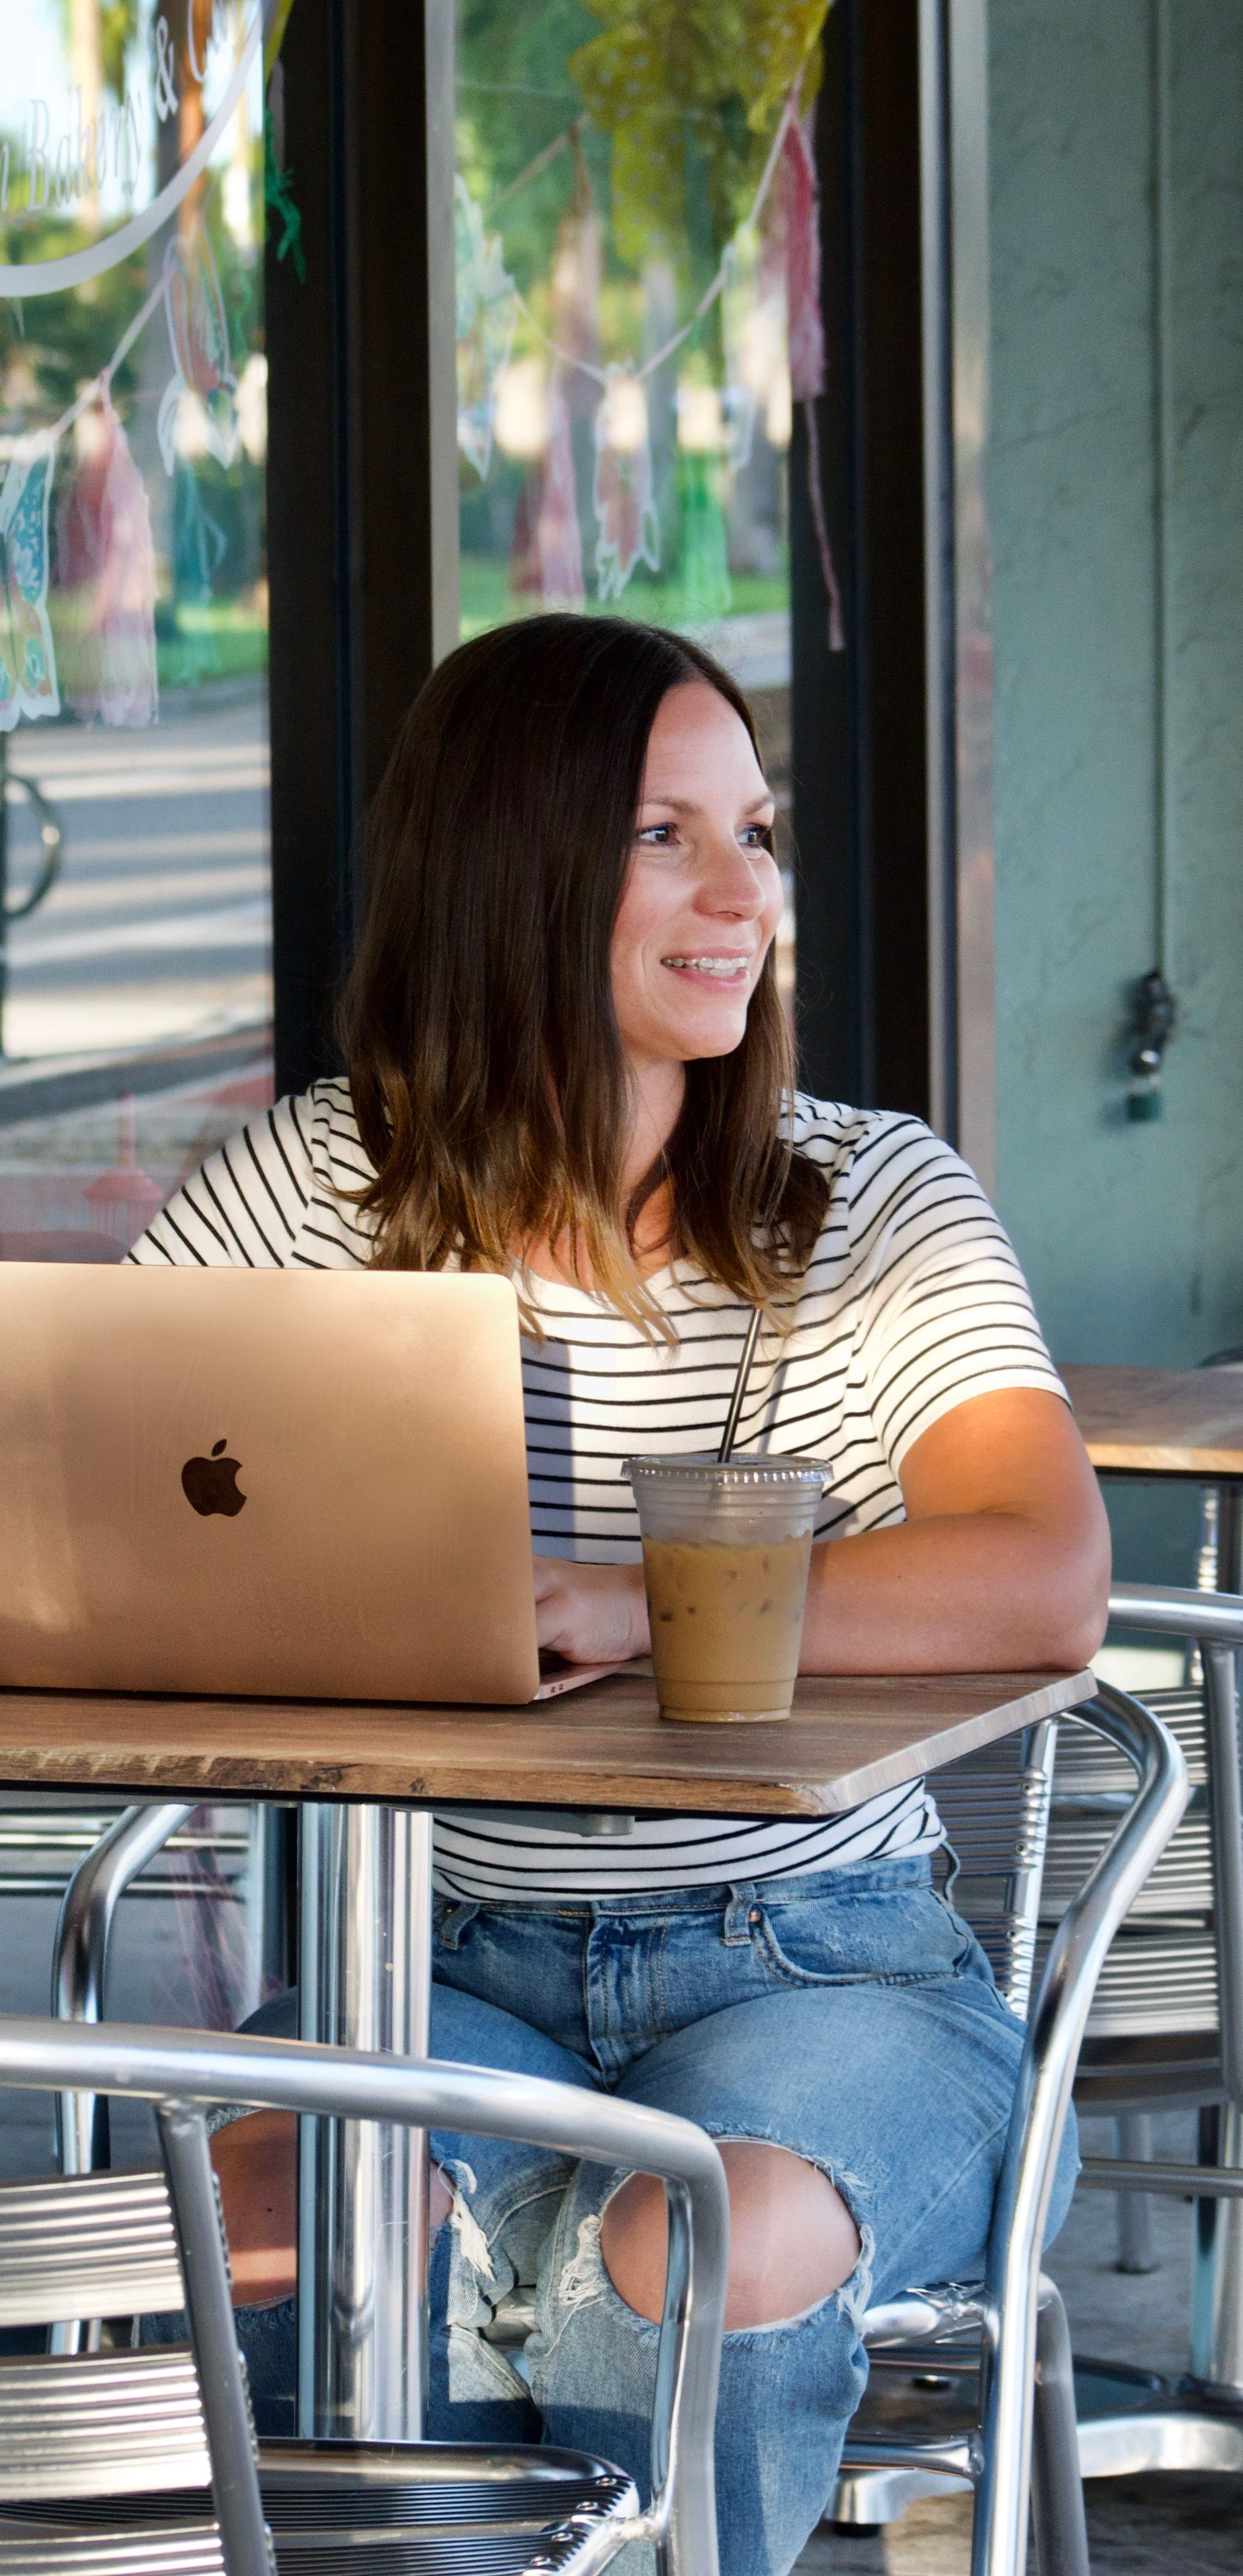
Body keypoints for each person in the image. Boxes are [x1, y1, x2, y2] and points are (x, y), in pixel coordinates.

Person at [130, 615, 1108, 2575]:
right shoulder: (313, 1193)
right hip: (448, 1954)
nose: (744, 890)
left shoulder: (873, 1199)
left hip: (833, 1976)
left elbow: (1047, 1571)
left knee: (679, 2251)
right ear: (518, 861)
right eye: (670, 835)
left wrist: (630, 1600)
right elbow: (90, 1486)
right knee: (272, 2210)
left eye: (756, 831)